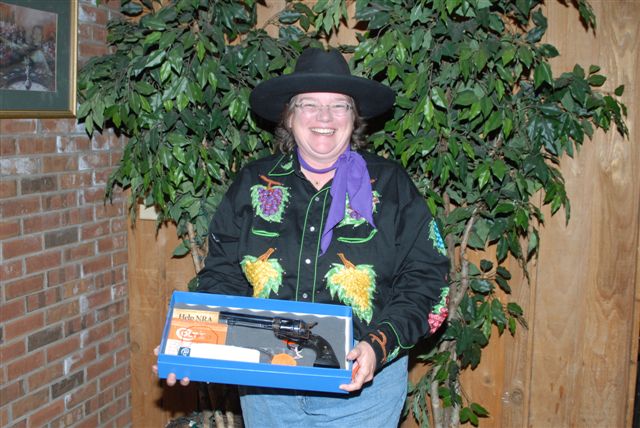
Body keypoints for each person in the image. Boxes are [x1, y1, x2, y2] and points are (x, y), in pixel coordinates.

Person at [159, 47, 450, 427]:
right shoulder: (251, 184)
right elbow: (222, 273)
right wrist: (194, 341)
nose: (324, 117)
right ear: (289, 116)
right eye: (309, 104)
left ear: (354, 117)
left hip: (361, 389)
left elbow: (428, 280)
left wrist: (377, 347)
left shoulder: (393, 186)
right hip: (268, 389)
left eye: (339, 106)